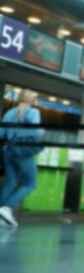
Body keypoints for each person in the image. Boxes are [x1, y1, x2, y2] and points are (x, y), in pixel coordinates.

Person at [0, 90, 44, 227]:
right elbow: (35, 132)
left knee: (10, 182)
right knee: (31, 183)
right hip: (23, 151)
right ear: (31, 100)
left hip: (8, 150)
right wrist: (41, 132)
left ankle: (1, 216)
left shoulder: (9, 113)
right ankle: (7, 208)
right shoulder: (33, 112)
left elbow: (1, 134)